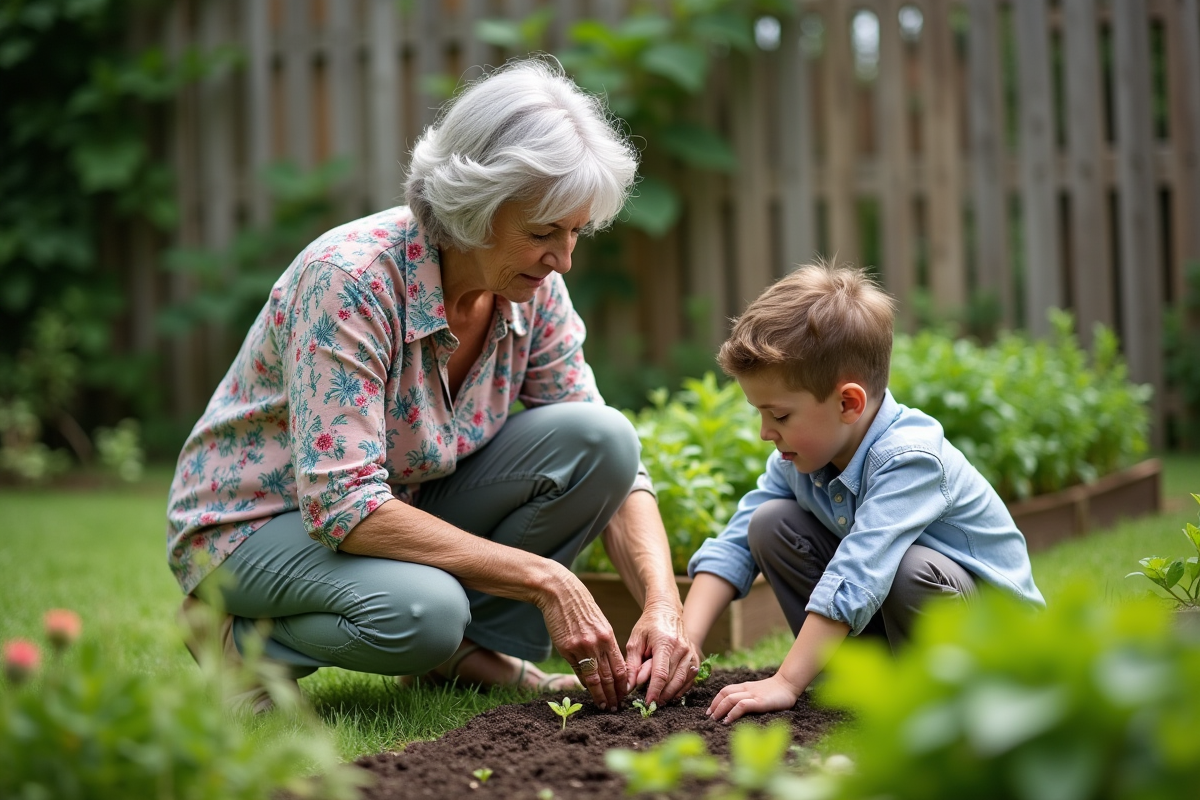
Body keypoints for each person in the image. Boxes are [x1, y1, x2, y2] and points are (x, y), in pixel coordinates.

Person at [167, 58, 701, 714]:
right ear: (473, 207)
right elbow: (341, 502)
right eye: (542, 234)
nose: (564, 260)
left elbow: (615, 465)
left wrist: (663, 602)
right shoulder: (351, 281)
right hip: (252, 524)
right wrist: (544, 579)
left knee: (603, 441)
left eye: (574, 233)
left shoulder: (534, 291)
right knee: (426, 613)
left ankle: (463, 662)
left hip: (398, 503)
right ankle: (232, 633)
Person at [682, 262, 1045, 724]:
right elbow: (734, 543)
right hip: (899, 630)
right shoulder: (801, 460)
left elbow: (861, 570)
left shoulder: (909, 458)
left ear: (848, 403)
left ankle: (945, 703)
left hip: (996, 649)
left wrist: (785, 681)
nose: (764, 433)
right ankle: (860, 687)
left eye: (779, 415)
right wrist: (686, 638)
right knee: (769, 523)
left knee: (909, 569)